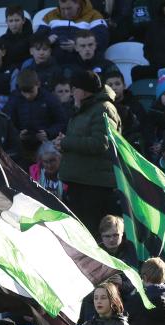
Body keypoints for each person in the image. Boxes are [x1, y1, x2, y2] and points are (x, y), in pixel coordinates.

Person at [54, 70, 123, 235]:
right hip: (81, 182)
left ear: (84, 91)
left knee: (92, 233)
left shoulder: (103, 109)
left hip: (95, 186)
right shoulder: (85, 109)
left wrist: (66, 142)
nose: (72, 93)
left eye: (74, 89)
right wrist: (63, 144)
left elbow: (101, 143)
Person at [4, 69, 68, 160]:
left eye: (31, 91)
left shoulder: (49, 99)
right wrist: (17, 134)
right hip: (21, 143)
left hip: (45, 142)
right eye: (24, 92)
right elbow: (7, 121)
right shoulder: (14, 99)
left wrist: (48, 133)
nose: (28, 96)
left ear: (38, 84)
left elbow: (62, 122)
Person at [37, 0, 110, 64]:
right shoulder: (50, 15)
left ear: (78, 3)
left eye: (69, 8)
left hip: (83, 63)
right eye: (62, 9)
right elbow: (36, 39)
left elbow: (102, 41)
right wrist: (46, 41)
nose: (66, 12)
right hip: (52, 64)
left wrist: (78, 47)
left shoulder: (94, 16)